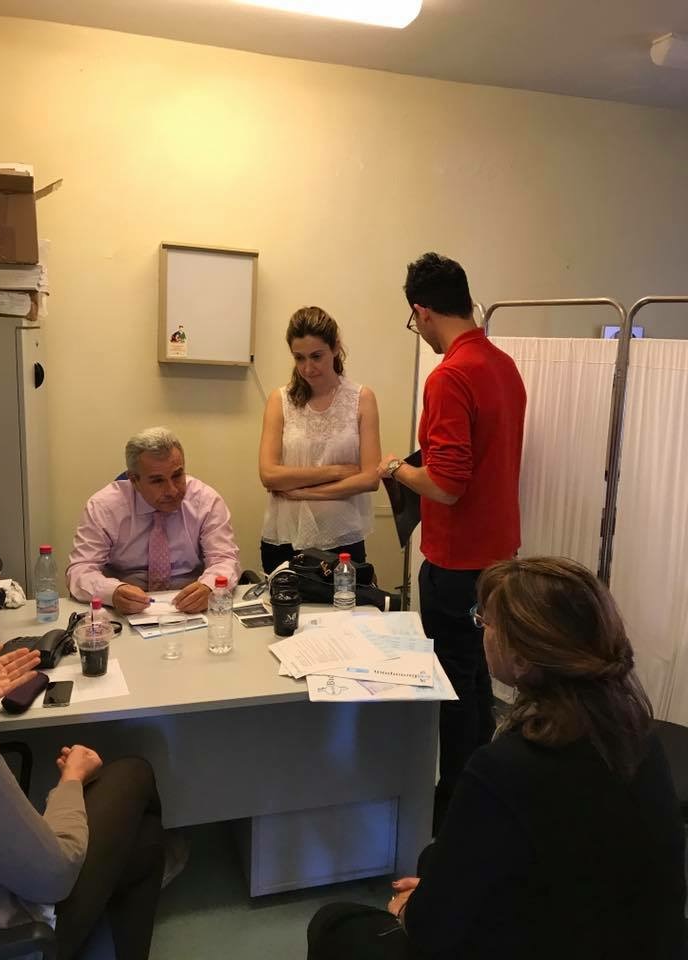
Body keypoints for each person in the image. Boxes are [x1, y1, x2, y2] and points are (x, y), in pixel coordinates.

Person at [307, 557, 687, 960]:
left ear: (521, 659)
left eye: (484, 622)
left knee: (335, 923)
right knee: (432, 859)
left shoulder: (505, 767)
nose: (481, 630)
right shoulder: (638, 732)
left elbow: (432, 930)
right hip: (636, 938)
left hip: (548, 937)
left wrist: (412, 909)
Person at [378, 253, 526, 829]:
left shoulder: (449, 376)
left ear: (422, 312)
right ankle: (481, 796)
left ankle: (454, 812)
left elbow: (445, 484)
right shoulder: (504, 366)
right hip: (499, 557)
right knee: (479, 681)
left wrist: (398, 469)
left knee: (454, 687)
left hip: (456, 563)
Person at [0, 643, 166, 960]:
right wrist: (71, 781)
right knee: (134, 775)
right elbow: (53, 877)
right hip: (8, 933)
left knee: (143, 842)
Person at [259, 306, 381, 574]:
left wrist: (303, 492)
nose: (308, 368)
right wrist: (337, 472)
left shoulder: (362, 398)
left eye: (316, 356)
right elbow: (269, 475)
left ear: (335, 347)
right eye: (299, 358)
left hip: (342, 538)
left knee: (346, 601)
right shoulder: (280, 400)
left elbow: (370, 479)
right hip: (285, 536)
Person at [67, 426, 240, 615]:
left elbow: (224, 559)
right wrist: (113, 592)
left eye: (177, 475)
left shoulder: (205, 501)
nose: (172, 490)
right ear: (134, 480)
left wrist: (209, 587)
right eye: (158, 481)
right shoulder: (105, 507)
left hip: (191, 608)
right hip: (124, 611)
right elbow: (80, 569)